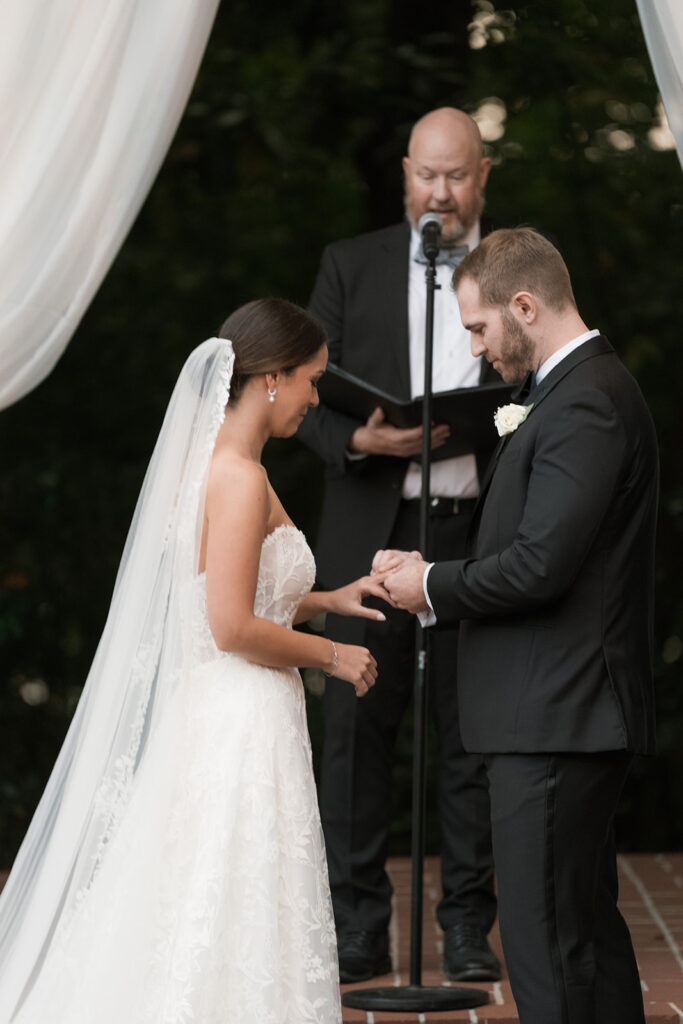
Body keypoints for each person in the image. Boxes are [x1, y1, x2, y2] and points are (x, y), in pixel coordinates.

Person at [0, 298, 392, 1024]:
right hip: (241, 717)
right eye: (311, 380)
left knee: (210, 901)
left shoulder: (219, 466)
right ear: (271, 378)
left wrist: (330, 599)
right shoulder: (238, 478)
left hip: (221, 710)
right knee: (232, 901)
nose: (315, 399)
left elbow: (236, 594)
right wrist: (331, 654)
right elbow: (232, 626)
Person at [379, 227, 657, 1024]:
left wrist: (429, 584)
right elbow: (530, 547)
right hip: (554, 713)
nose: (474, 349)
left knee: (547, 948)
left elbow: (540, 566)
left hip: (558, 715)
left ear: (525, 307)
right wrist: (429, 574)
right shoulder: (568, 393)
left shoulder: (585, 403)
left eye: (478, 328)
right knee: (580, 935)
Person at [297, 107, 501, 982]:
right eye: (425, 174)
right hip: (367, 539)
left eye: (455, 176)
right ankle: (357, 926)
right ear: (404, 174)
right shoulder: (349, 263)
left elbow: (544, 383)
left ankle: (466, 927)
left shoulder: (513, 265)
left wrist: (494, 428)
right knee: (353, 736)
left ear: (482, 176)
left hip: (475, 536)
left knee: (473, 737)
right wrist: (359, 439)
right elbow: (299, 391)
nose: (438, 193)